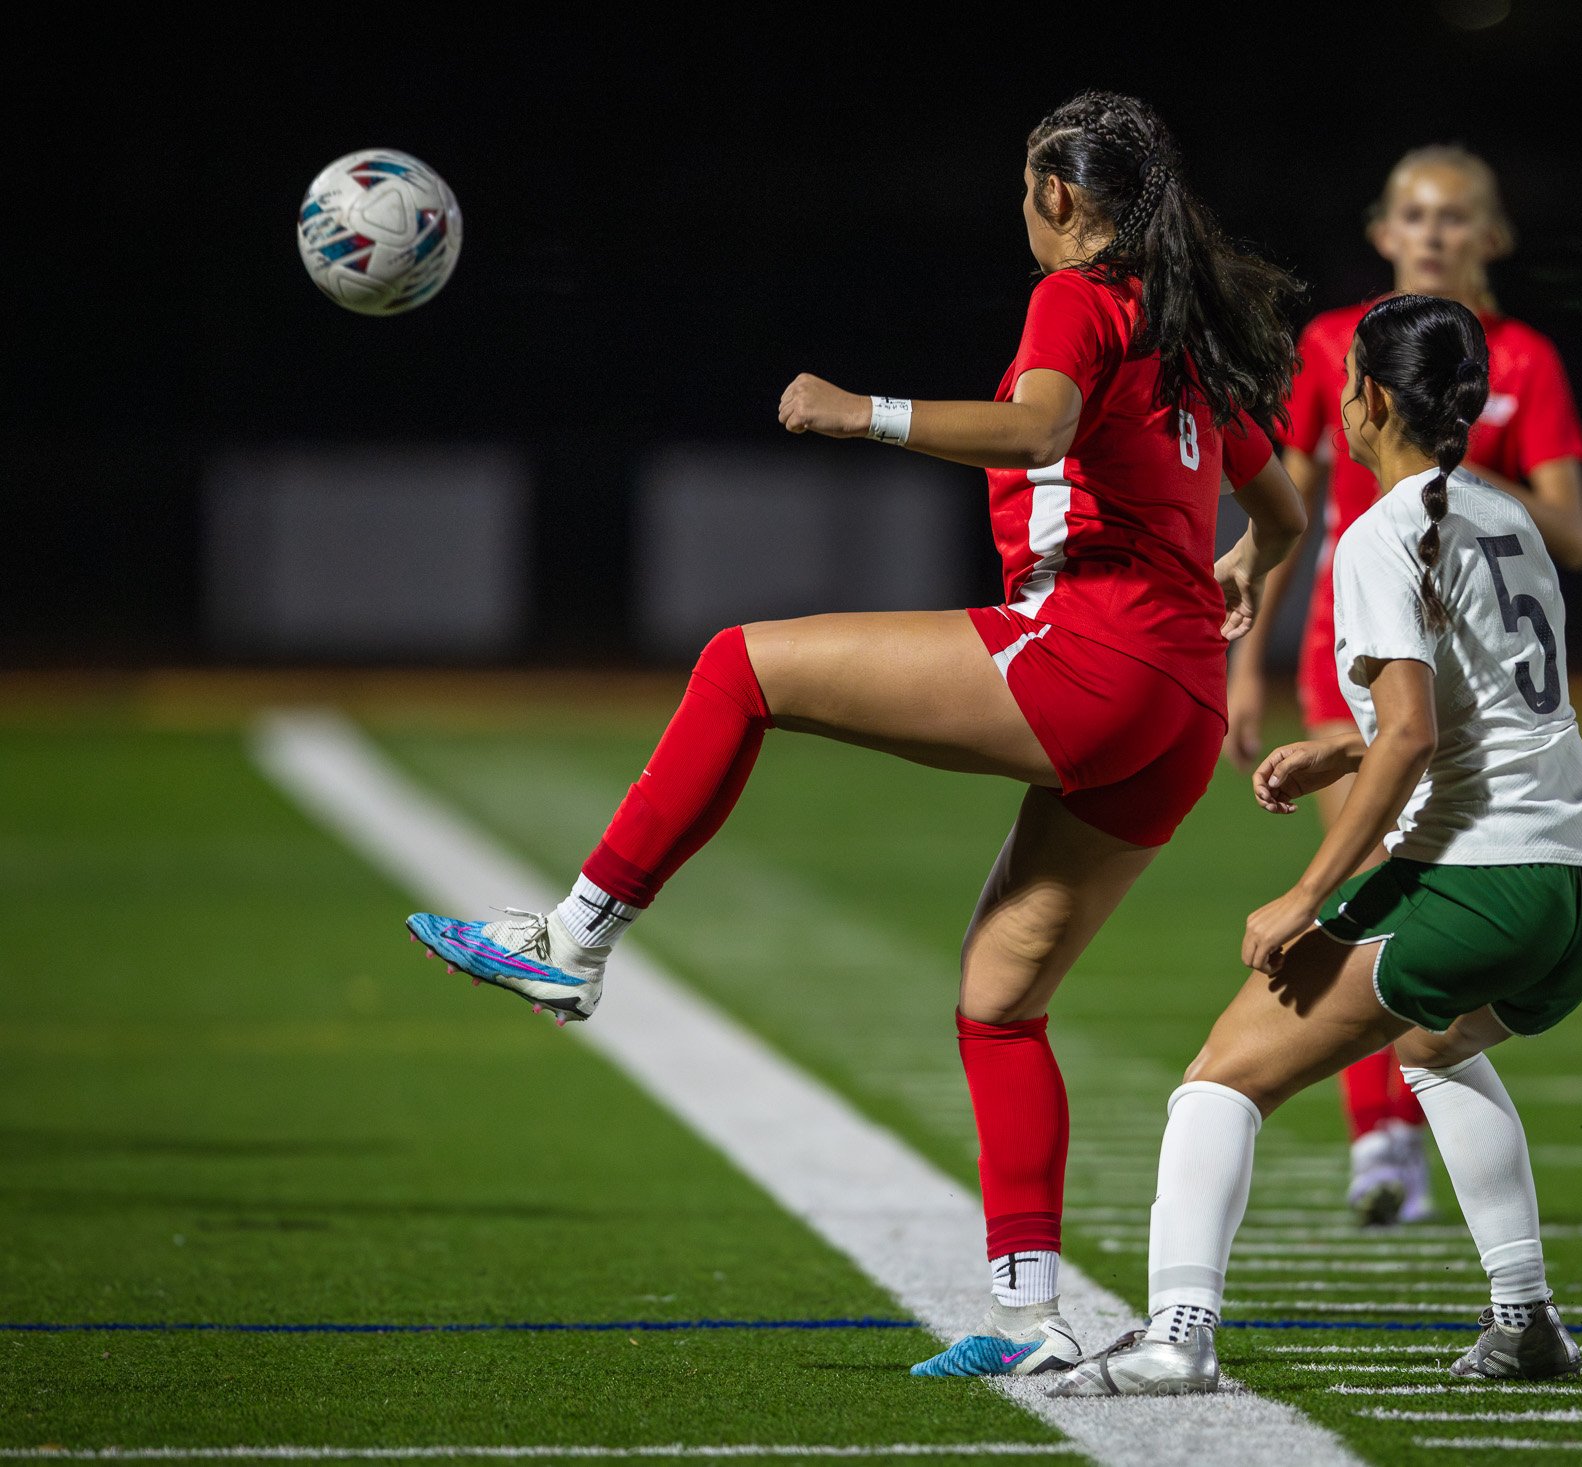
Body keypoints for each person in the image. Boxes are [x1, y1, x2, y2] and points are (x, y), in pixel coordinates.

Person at [402, 91, 1306, 1380]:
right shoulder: (1182, 325)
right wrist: (1249, 562)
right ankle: (1031, 1319)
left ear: (1056, 193)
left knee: (740, 666)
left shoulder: (1079, 296)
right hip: (1179, 709)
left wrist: (857, 411)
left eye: (1025, 189)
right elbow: (1282, 506)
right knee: (1000, 1006)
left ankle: (572, 940)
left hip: (1091, 659)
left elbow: (1039, 427)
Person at [1047, 295, 1582, 1398]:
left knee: (1220, 1079)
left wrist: (1307, 892)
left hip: (1487, 875)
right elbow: (1489, 712)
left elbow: (1414, 734)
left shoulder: (1381, 531)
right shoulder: (1507, 515)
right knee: (1433, 1046)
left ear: (1367, 397)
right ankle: (1526, 1321)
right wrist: (1339, 749)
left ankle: (1177, 1335)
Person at [1224, 146, 1582, 1226]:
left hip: (1474, 666)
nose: (1433, 233)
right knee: (1369, 877)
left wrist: (1447, 457)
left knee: (1444, 890)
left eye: (1455, 216)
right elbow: (1289, 507)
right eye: (1415, 215)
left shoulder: (1522, 360)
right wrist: (1243, 661)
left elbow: (1572, 531)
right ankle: (1380, 1136)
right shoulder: (1334, 345)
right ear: (1383, 232)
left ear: (1493, 236)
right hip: (1354, 656)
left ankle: (1417, 1103)